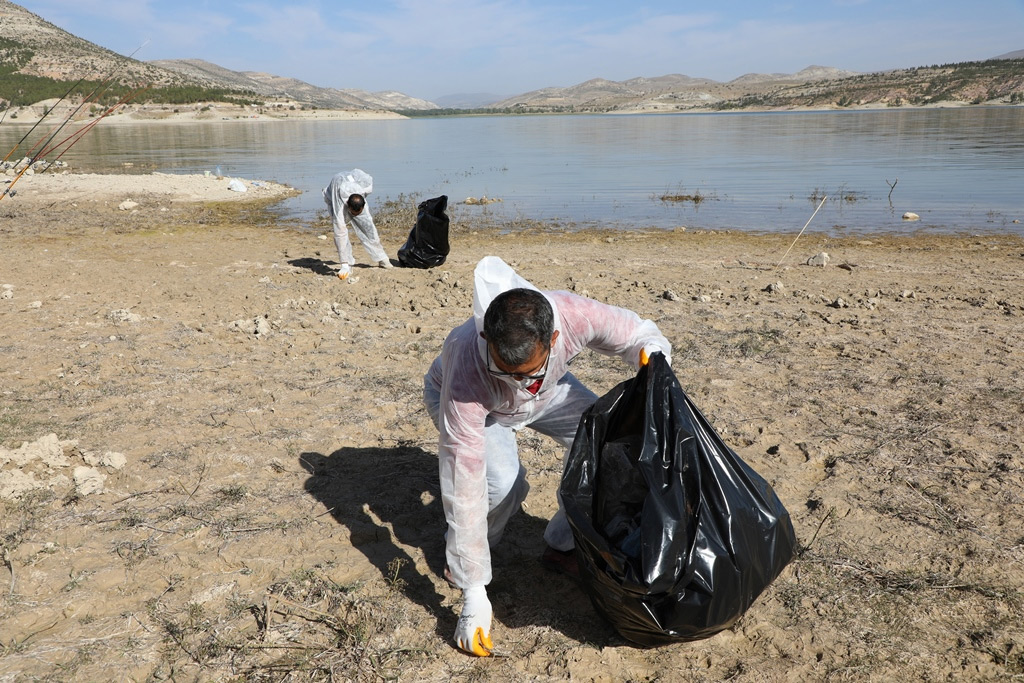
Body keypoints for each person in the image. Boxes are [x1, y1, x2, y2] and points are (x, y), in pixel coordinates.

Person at [423, 256, 672, 656]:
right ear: (487, 340)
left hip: (550, 394)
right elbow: (461, 476)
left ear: (553, 340)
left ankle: (562, 545)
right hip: (475, 403)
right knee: (503, 483)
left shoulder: (573, 315)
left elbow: (637, 334)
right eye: (508, 370)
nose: (519, 380)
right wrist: (474, 590)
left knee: (606, 446)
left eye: (528, 370)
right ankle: (466, 565)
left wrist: (652, 355)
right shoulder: (468, 362)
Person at [322, 169, 393, 279]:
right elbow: (340, 232)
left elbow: (368, 227)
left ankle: (382, 258)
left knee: (369, 227)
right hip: (335, 195)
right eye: (353, 213)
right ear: (348, 207)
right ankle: (348, 263)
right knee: (341, 229)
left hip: (354, 189)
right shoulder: (340, 205)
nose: (355, 215)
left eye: (358, 212)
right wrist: (343, 264)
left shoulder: (365, 187)